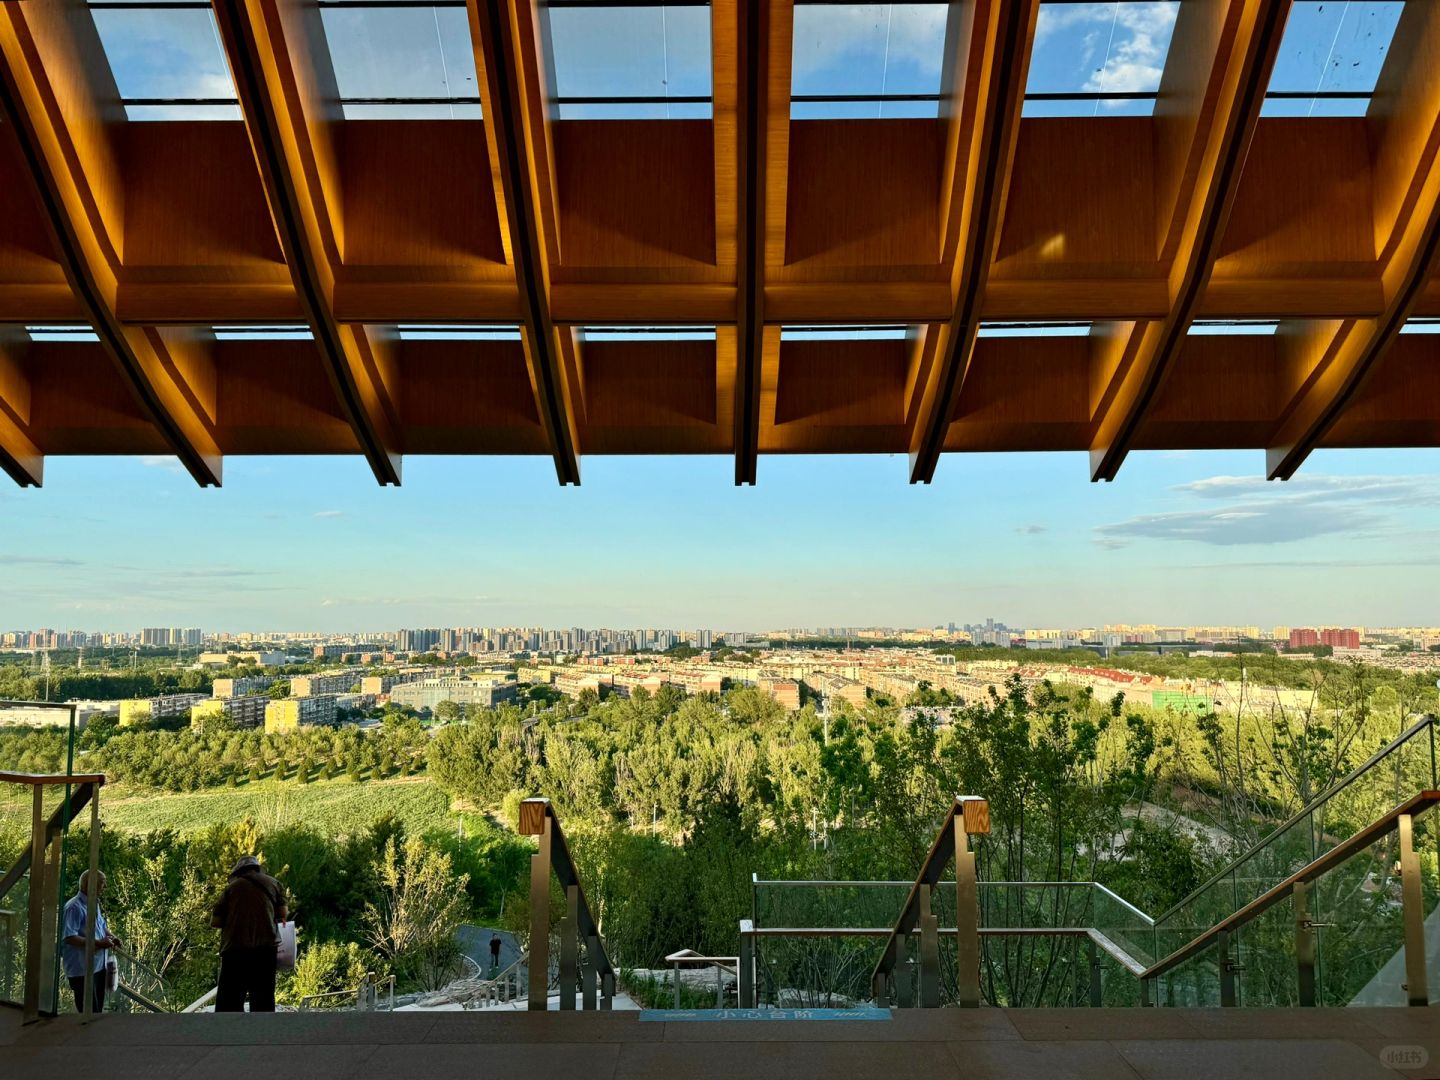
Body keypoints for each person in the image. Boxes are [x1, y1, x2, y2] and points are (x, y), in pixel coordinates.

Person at [211, 855, 288, 1013]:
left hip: (234, 950)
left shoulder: (230, 889)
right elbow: (282, 912)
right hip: (265, 950)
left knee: (229, 1001)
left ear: (238, 871)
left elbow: (215, 922)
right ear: (257, 868)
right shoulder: (274, 883)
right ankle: (261, 1035)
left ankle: (230, 1035)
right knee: (263, 1000)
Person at [61, 870, 121, 1014]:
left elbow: (101, 927)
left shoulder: (93, 903)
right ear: (90, 885)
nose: (105, 886)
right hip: (82, 969)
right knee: (88, 1011)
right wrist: (99, 943)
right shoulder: (73, 907)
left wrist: (112, 937)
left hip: (98, 966)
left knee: (97, 1009)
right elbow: (69, 937)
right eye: (102, 883)